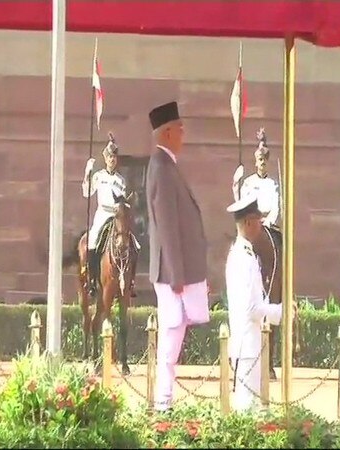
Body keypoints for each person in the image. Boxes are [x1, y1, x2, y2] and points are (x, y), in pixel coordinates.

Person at [145, 100, 210, 412]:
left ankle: (165, 397)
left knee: (176, 334)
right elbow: (167, 225)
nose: (184, 134)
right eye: (180, 129)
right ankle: (163, 400)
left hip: (177, 270)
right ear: (167, 132)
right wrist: (176, 275)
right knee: (171, 334)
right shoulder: (161, 167)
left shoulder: (167, 165)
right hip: (172, 273)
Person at [225, 193, 293, 412]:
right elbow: (251, 309)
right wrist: (281, 312)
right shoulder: (242, 258)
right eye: (257, 221)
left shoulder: (246, 254)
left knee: (254, 411)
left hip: (251, 345)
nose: (260, 227)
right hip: (247, 347)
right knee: (247, 412)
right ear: (247, 223)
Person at [82, 132, 141, 298]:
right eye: (109, 158)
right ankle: (92, 279)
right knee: (93, 240)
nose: (112, 160)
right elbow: (87, 193)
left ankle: (131, 282)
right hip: (102, 213)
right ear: (106, 159)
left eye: (114, 158)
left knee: (135, 245)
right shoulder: (99, 176)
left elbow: (122, 200)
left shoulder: (120, 180)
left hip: (116, 214)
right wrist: (87, 173)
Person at [232, 127, 281, 248]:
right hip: (252, 223)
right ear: (256, 162)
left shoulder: (273, 184)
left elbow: (276, 207)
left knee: (279, 244)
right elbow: (242, 203)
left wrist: (269, 221)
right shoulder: (249, 183)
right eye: (260, 160)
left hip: (268, 225)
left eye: (265, 160)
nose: (262, 163)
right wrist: (236, 184)